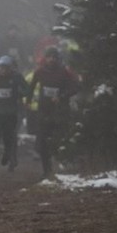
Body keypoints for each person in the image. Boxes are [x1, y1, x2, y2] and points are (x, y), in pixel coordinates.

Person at [26, 45, 80, 179]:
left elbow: (75, 87)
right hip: (44, 110)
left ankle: (64, 166)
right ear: (45, 58)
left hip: (60, 111)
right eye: (49, 57)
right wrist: (27, 101)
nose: (52, 60)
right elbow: (31, 87)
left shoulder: (64, 72)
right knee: (43, 140)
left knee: (61, 138)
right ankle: (46, 170)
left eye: (54, 57)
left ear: (58, 59)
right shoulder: (39, 72)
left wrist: (62, 96)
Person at [0, 55, 29, 180]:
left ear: (11, 68)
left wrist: (20, 94)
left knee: (9, 138)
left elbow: (27, 90)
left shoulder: (17, 77)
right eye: (1, 68)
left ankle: (7, 154)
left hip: (11, 113)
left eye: (6, 68)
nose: (3, 70)